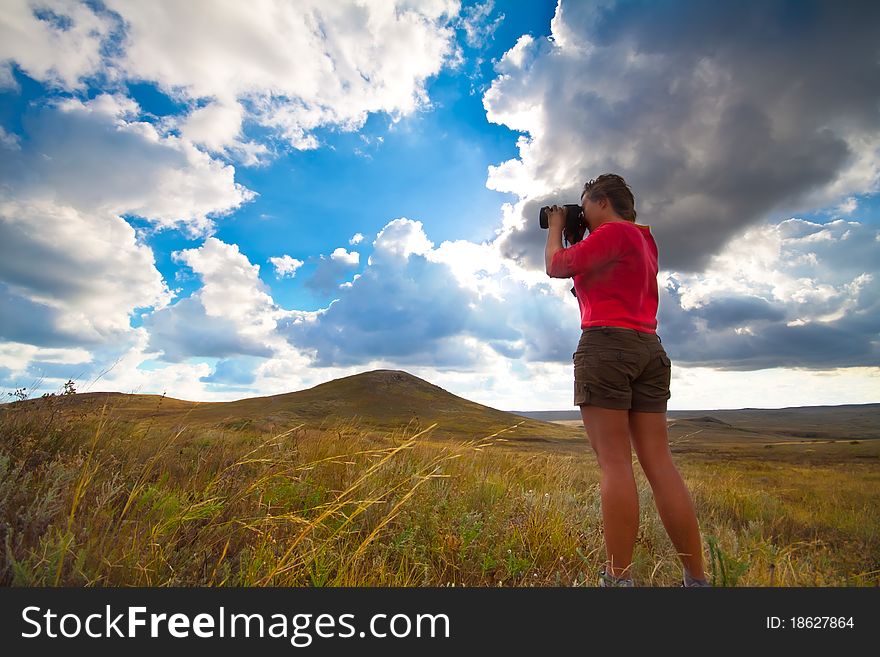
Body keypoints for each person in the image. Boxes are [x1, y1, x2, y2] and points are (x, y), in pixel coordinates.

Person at [544, 173, 709, 588]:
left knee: (615, 464)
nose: (583, 214)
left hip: (606, 345)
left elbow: (557, 266)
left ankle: (618, 581)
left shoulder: (613, 232)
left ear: (601, 202)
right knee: (660, 464)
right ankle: (696, 580)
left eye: (585, 206)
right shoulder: (644, 240)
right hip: (648, 347)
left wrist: (559, 228)